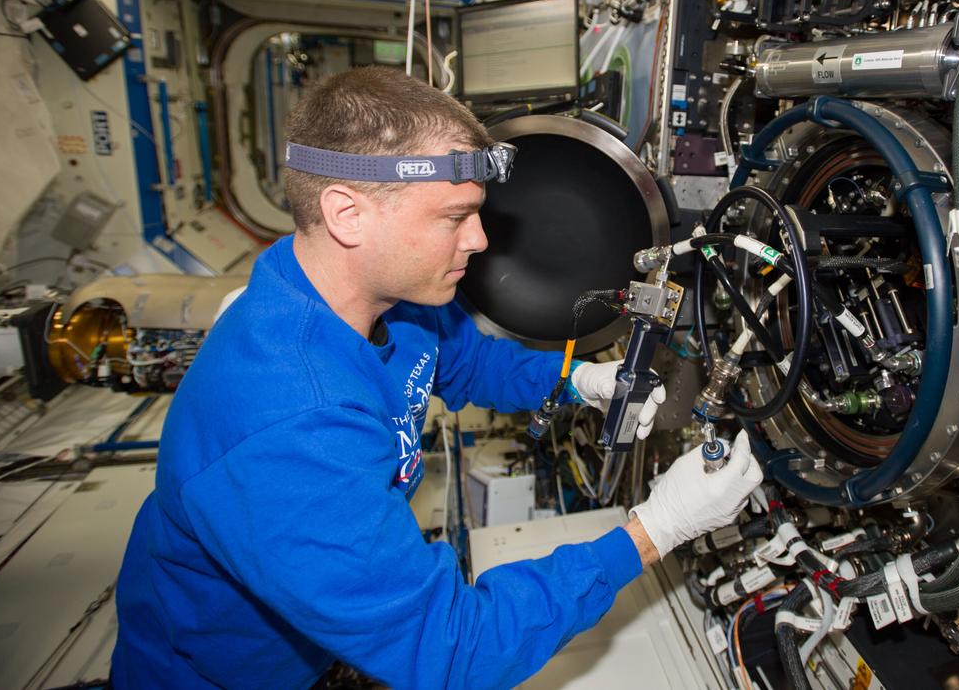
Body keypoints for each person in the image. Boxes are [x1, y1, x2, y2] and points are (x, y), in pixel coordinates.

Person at [111, 66, 763, 689]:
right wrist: (655, 529)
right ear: (347, 213)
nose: (480, 240)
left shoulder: (375, 296)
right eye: (454, 217)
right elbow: (452, 649)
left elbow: (462, 359)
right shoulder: (287, 421)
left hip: (303, 648)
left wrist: (578, 379)